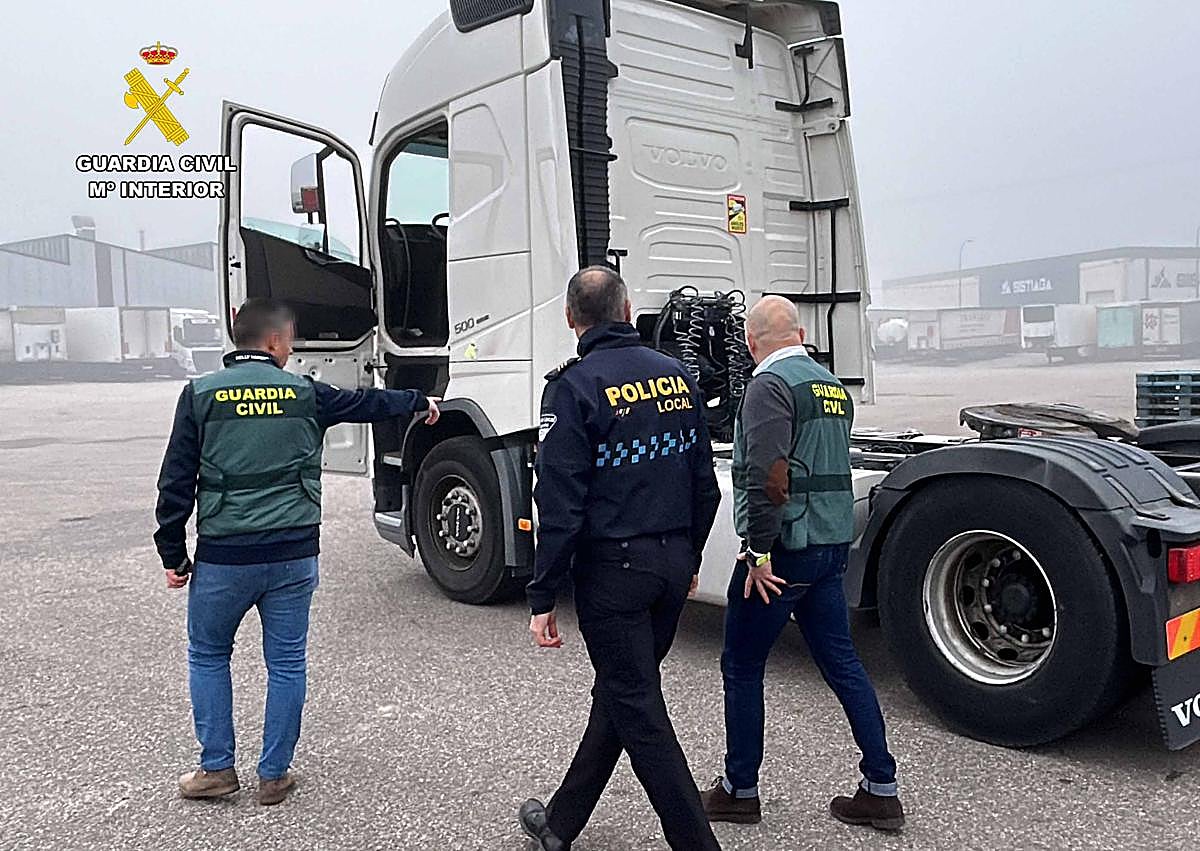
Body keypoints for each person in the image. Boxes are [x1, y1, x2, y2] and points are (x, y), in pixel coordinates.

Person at [154, 298, 439, 806]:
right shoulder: (306, 393)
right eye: (290, 340)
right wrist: (418, 400)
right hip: (291, 555)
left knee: (208, 654)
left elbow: (175, 481)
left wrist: (174, 555)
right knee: (286, 662)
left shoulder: (199, 395)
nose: (291, 349)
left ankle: (217, 768)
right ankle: (274, 775)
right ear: (272, 342)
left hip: (224, 558)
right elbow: (367, 404)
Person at [518, 267, 723, 851]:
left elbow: (560, 503)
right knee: (621, 692)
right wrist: (688, 560)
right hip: (668, 564)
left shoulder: (572, 388)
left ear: (570, 319)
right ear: (629, 312)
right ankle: (558, 826)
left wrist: (542, 593)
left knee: (637, 709)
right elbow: (704, 484)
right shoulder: (679, 376)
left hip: (616, 575)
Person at [699, 296, 904, 831]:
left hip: (784, 553)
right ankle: (881, 787)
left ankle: (738, 789)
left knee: (741, 664)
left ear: (750, 342)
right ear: (802, 332)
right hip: (829, 547)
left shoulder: (769, 386)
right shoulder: (831, 385)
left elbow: (770, 475)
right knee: (843, 666)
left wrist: (758, 553)